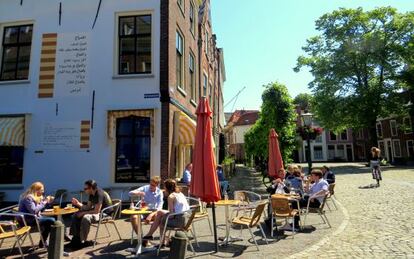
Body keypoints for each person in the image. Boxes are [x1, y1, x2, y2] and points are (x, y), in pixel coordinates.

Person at [142, 179, 190, 247]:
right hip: (187, 219)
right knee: (160, 212)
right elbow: (175, 211)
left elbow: (171, 216)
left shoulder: (171, 197)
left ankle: (157, 239)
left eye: (164, 187)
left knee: (161, 222)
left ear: (167, 188)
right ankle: (152, 236)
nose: (164, 188)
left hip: (179, 221)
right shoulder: (179, 193)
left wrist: (163, 216)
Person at [69, 180, 113, 248]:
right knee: (76, 215)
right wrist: (77, 203)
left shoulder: (99, 194)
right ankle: (75, 238)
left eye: (85, 188)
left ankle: (82, 241)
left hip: (105, 214)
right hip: (99, 211)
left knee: (86, 217)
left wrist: (83, 213)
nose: (84, 190)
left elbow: (96, 211)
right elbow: (88, 207)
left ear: (91, 188)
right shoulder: (91, 194)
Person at [18, 182, 55, 248]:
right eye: (42, 190)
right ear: (36, 190)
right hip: (26, 220)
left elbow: (40, 210)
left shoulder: (36, 197)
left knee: (52, 220)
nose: (43, 192)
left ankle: (43, 242)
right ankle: (45, 242)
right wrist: (45, 202)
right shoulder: (28, 198)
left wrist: (48, 203)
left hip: (33, 218)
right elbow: (34, 211)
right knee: (51, 220)